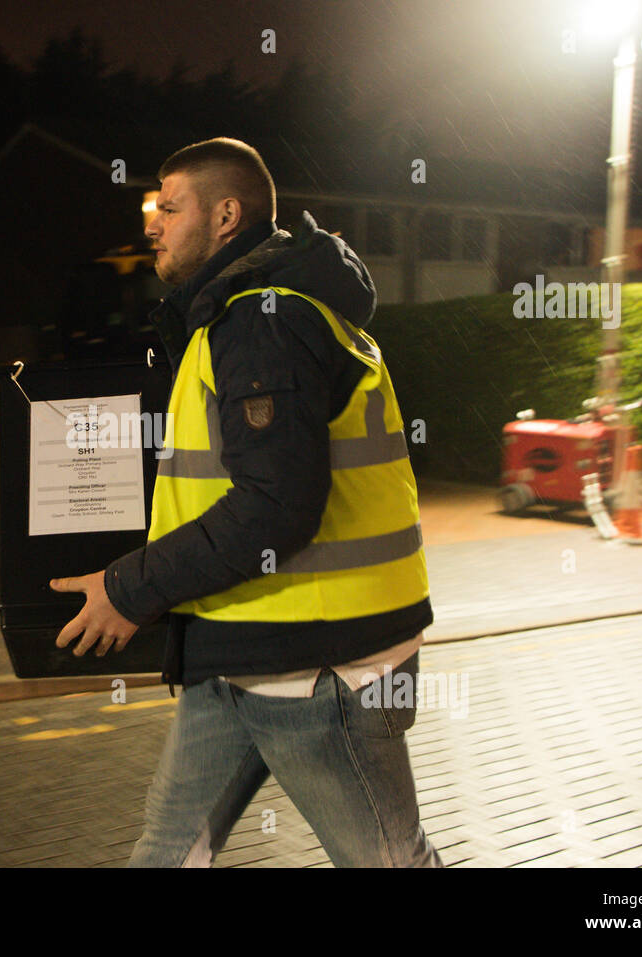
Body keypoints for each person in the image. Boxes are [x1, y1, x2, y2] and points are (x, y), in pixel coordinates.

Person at [49, 137, 442, 868]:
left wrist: (130, 587)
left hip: (324, 665)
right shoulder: (235, 315)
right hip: (242, 645)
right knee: (168, 852)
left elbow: (275, 505)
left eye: (169, 207)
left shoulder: (263, 321)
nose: (152, 224)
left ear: (226, 214)